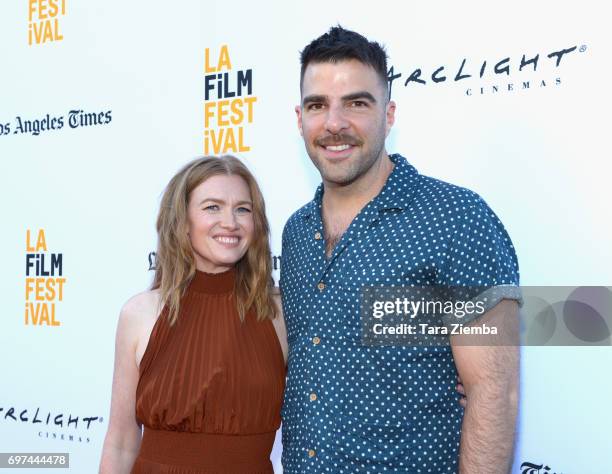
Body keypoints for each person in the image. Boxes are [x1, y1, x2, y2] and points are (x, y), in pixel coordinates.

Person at [279, 26, 521, 473]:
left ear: (389, 114)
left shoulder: (455, 219)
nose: (334, 123)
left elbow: (493, 391)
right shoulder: (296, 233)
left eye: (356, 103)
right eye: (317, 105)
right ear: (299, 118)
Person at [99, 156, 288, 474]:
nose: (230, 222)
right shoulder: (141, 313)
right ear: (182, 222)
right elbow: (120, 442)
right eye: (212, 207)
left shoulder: (279, 312)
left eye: (243, 209)